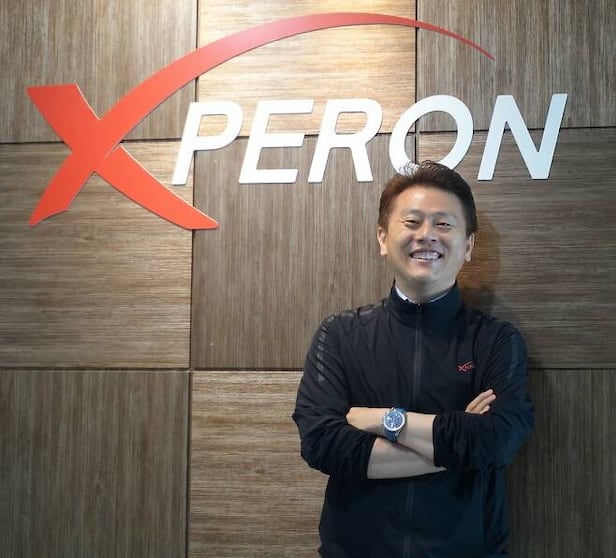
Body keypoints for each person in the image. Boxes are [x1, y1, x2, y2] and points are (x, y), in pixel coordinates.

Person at [292, 161, 534, 558]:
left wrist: (382, 420)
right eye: (412, 221)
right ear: (383, 238)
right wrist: (458, 446)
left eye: (443, 224)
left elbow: (497, 441)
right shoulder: (340, 335)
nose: (427, 235)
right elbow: (323, 443)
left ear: (468, 245)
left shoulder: (495, 340)